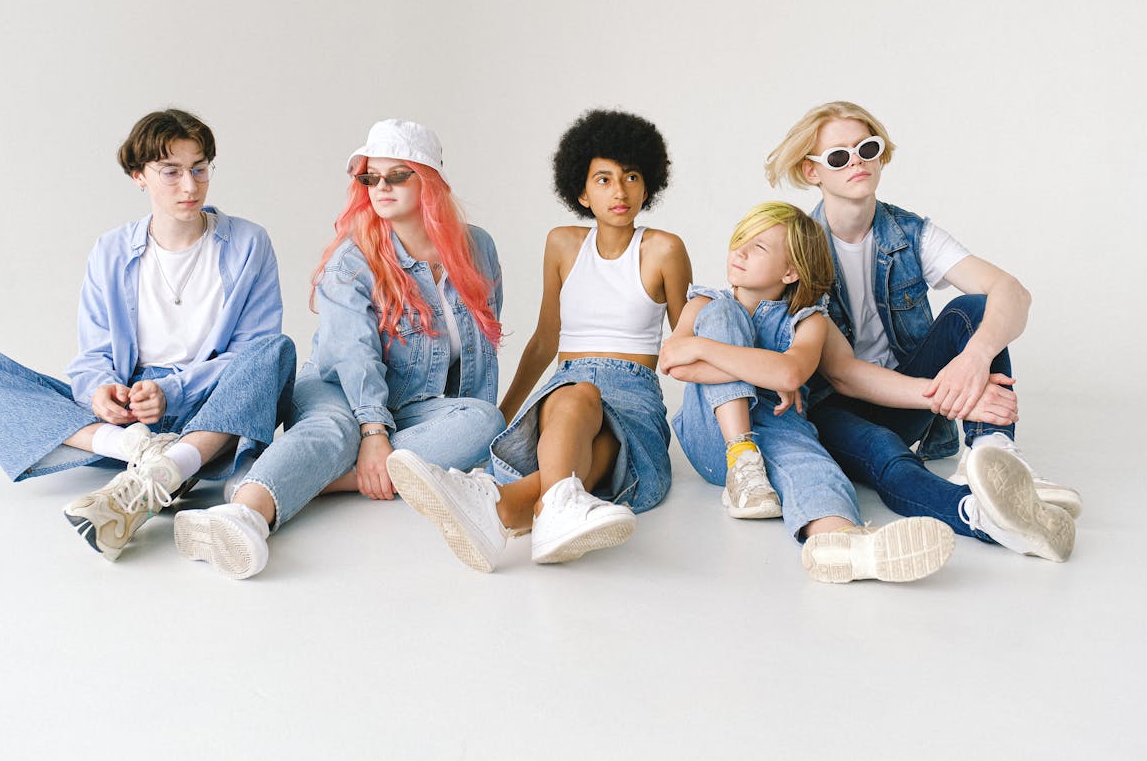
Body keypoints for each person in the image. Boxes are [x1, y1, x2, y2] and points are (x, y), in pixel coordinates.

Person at [0, 108, 296, 561]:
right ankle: (139, 454)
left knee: (277, 350)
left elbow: (252, 353)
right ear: (138, 176)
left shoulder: (248, 242)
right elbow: (94, 354)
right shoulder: (111, 250)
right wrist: (100, 393)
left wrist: (172, 391)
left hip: (214, 406)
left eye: (200, 169)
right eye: (170, 172)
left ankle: (166, 471)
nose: (189, 186)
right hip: (133, 416)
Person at [173, 119, 506, 579]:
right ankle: (243, 514)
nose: (380, 187)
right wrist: (372, 431)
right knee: (337, 430)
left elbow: (482, 348)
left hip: (414, 404)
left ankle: (323, 479)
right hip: (337, 388)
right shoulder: (354, 258)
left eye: (396, 175)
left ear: (428, 179)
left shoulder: (478, 248)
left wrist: (473, 441)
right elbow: (354, 356)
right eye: (370, 177)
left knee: (486, 422)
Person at [763, 101, 1079, 562]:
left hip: (910, 396)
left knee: (975, 309)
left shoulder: (910, 232)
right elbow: (843, 375)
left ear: (880, 156)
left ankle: (994, 456)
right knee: (885, 451)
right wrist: (942, 393)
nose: (856, 162)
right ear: (813, 172)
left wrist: (972, 361)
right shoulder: (802, 251)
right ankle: (985, 517)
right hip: (835, 410)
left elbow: (1012, 292)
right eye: (838, 156)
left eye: (866, 149)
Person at [386, 109, 692, 571]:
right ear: (581, 193)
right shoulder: (562, 244)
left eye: (631, 177)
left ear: (648, 185)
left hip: (633, 392)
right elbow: (546, 339)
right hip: (565, 386)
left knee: (604, 442)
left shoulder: (665, 249)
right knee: (577, 395)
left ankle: (496, 505)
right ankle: (545, 513)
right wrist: (502, 417)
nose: (620, 191)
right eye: (604, 179)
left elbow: (686, 343)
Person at [662, 201, 977, 582]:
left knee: (817, 471)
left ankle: (843, 544)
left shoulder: (809, 321)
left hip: (780, 428)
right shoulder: (705, 304)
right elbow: (674, 363)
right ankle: (742, 459)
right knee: (724, 317)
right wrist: (768, 373)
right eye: (740, 240)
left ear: (791, 270)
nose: (740, 251)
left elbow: (792, 373)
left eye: (759, 247)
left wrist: (702, 349)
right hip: (712, 437)